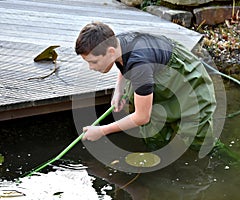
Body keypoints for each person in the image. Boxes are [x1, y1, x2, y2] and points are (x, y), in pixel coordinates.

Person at [75, 21, 216, 151]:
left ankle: (224, 162)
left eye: (94, 62)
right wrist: (119, 88)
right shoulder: (117, 43)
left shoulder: (139, 65)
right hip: (156, 77)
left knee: (199, 140)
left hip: (187, 83)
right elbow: (125, 63)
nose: (91, 68)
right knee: (152, 134)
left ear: (111, 51)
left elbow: (142, 117)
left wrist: (102, 131)